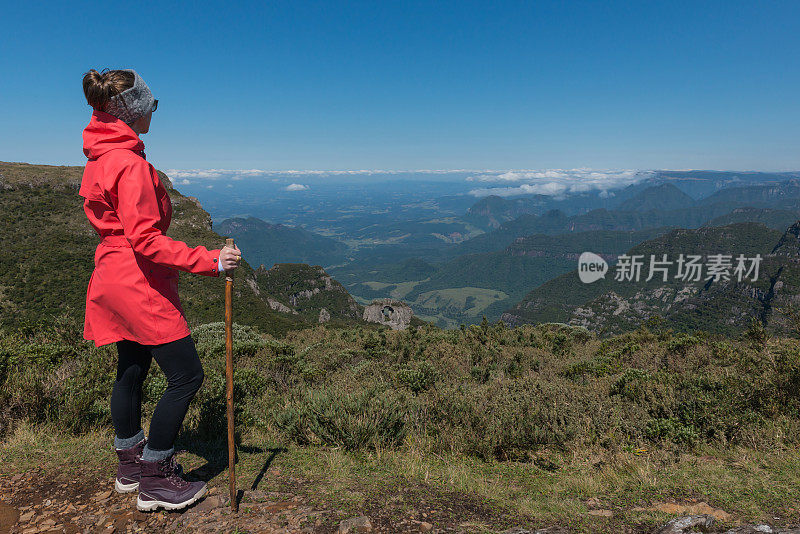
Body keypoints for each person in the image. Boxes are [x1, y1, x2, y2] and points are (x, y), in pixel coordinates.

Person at [79, 68, 242, 512]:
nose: (154, 108)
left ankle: (129, 465)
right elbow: (146, 240)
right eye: (150, 101)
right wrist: (210, 260)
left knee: (131, 368)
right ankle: (156, 477)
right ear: (131, 109)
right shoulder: (130, 165)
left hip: (111, 276)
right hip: (139, 280)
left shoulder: (100, 158)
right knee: (187, 375)